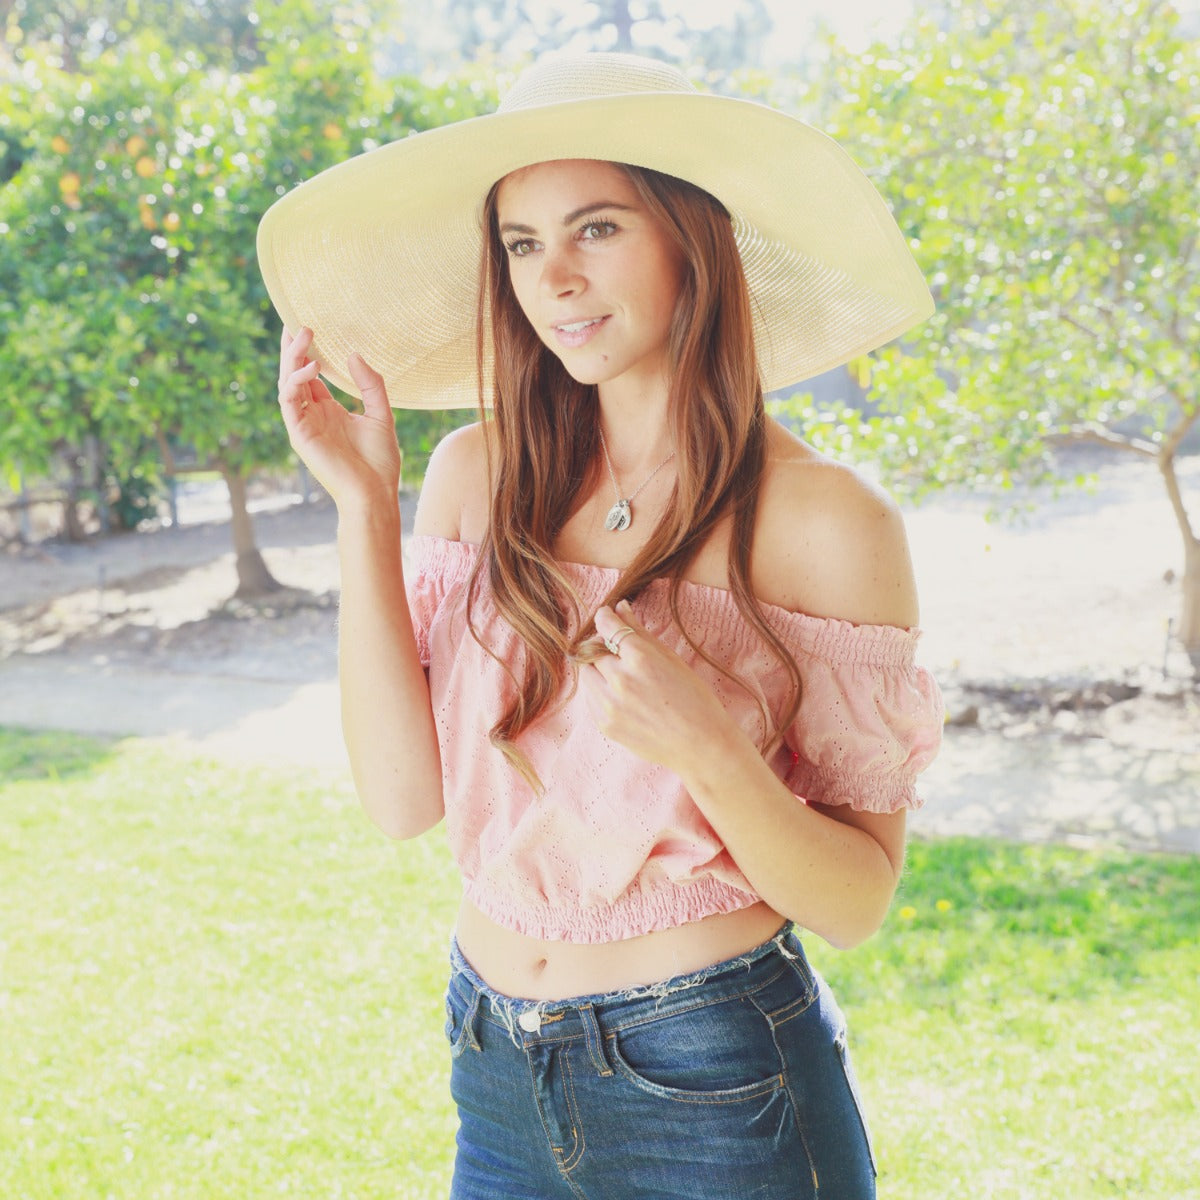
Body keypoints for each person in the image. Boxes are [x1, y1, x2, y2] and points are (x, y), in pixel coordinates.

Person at [260, 51, 943, 1200]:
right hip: (492, 1056)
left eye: (597, 230)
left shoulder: (825, 522)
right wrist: (363, 511)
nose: (556, 280)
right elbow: (402, 801)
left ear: (693, 239)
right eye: (524, 246)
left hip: (718, 1080)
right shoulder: (474, 475)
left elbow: (855, 901)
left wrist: (711, 753)